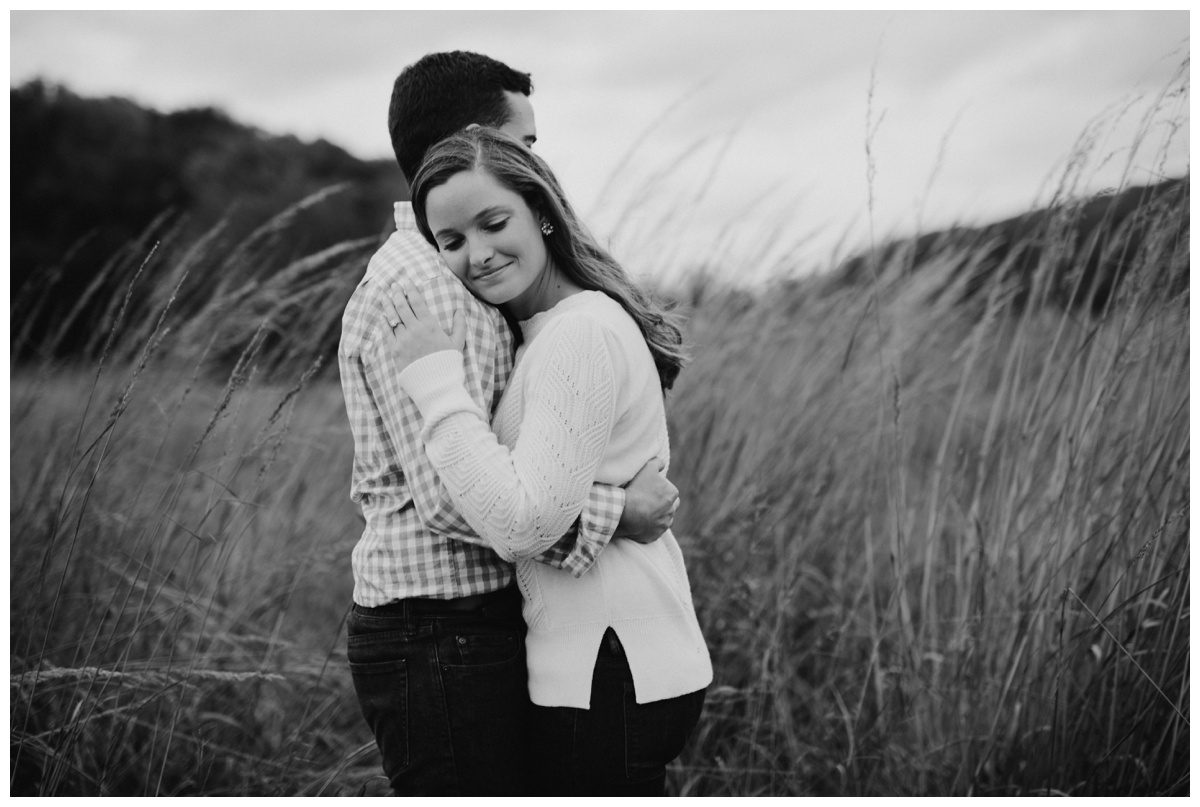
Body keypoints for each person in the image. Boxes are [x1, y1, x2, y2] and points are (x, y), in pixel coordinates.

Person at [338, 51, 681, 796]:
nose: (535, 161)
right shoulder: (427, 287)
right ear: (472, 143)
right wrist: (617, 513)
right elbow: (448, 496)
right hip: (436, 625)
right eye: (523, 144)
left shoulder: (474, 282)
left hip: (470, 622)